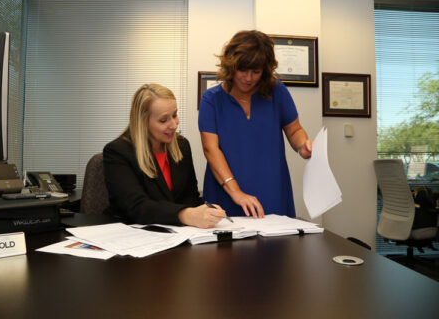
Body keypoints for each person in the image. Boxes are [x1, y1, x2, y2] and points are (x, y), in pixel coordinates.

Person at [198, 30, 312, 219]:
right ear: (231, 65)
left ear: (265, 70)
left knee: (276, 246)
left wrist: (303, 146)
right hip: (226, 193)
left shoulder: (277, 92)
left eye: (256, 72)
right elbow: (211, 149)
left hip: (271, 192)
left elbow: (295, 131)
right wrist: (236, 192)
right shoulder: (211, 100)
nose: (248, 78)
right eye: (242, 70)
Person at [103, 83, 226, 228]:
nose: (174, 125)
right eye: (163, 120)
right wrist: (185, 215)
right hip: (132, 234)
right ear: (143, 122)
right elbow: (136, 207)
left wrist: (204, 212)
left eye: (174, 115)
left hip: (176, 235)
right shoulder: (118, 151)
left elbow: (190, 197)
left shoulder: (181, 145)